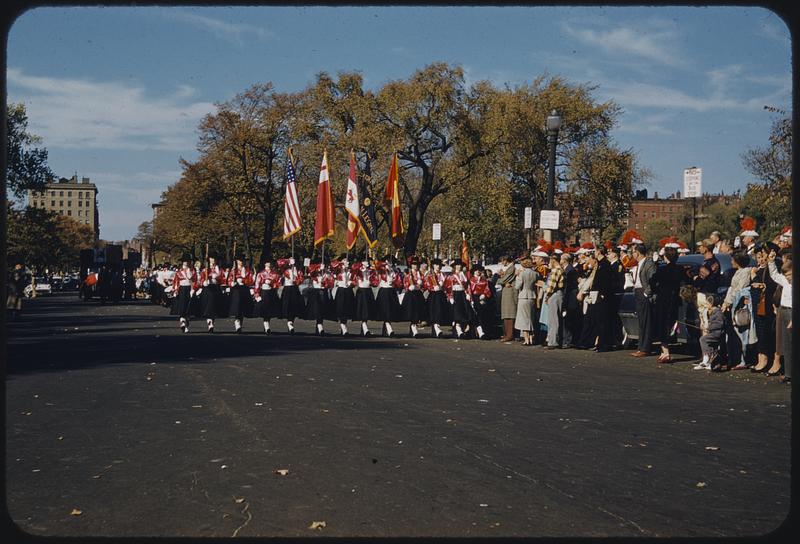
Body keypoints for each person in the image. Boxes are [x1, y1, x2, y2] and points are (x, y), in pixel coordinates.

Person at [721, 252, 756, 370]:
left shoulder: (745, 272)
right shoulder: (737, 272)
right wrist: (726, 302)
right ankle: (740, 358)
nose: (731, 262)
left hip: (740, 305)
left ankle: (746, 359)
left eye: (733, 260)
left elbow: (739, 289)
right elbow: (732, 289)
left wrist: (729, 301)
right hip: (734, 304)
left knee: (743, 331)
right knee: (737, 332)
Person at [749, 245, 778, 373]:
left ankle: (765, 358)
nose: (760, 260)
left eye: (762, 256)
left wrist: (755, 278)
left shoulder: (769, 269)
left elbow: (770, 284)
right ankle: (760, 358)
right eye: (758, 257)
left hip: (765, 304)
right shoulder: (759, 269)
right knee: (759, 331)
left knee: (765, 331)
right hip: (757, 304)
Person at [653, 246, 684, 363]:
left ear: (665, 257)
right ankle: (664, 351)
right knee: (671, 323)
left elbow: (653, 281)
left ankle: (665, 351)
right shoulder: (680, 270)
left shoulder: (662, 269)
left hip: (663, 299)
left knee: (662, 324)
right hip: (675, 299)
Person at [767, 250, 792, 383]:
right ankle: (788, 373)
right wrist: (771, 261)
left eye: (788, 274)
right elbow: (775, 275)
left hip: (791, 312)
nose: (786, 277)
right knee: (785, 344)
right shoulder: (785, 280)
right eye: (786, 275)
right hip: (783, 310)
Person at [630, 243, 657, 357]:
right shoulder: (639, 264)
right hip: (638, 292)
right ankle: (640, 346)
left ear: (638, 253)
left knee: (646, 321)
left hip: (644, 293)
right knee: (641, 321)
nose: (632, 254)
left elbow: (653, 280)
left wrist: (647, 293)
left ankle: (645, 348)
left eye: (633, 252)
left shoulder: (649, 263)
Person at [692, 239, 721, 334]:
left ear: (706, 249)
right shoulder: (713, 262)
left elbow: (699, 281)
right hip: (709, 294)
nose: (699, 248)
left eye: (701, 246)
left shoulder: (709, 263)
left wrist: (695, 278)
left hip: (706, 295)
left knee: (705, 323)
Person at [198, 252, 226, 333]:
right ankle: (209, 322)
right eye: (211, 259)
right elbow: (201, 278)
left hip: (216, 288)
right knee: (209, 306)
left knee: (214, 307)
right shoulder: (205, 269)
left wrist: (221, 282)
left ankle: (212, 322)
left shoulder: (219, 270)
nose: (213, 260)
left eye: (214, 259)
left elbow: (223, 278)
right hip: (208, 289)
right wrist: (204, 282)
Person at [695, 294, 724, 371]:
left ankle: (706, 358)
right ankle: (711, 361)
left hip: (718, 333)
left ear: (711, 304)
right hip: (714, 332)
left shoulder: (717, 312)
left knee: (703, 339)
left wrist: (708, 327)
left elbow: (719, 324)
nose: (706, 305)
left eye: (707, 304)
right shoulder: (713, 312)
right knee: (711, 345)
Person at [542, 251, 565, 349]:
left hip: (554, 294)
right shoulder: (561, 269)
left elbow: (551, 287)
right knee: (557, 318)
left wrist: (547, 295)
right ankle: (556, 340)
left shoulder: (555, 270)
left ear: (553, 260)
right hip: (559, 294)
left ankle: (552, 342)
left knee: (553, 319)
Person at [514, 258, 539, 346]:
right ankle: (531, 338)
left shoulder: (522, 274)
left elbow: (517, 286)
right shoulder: (535, 274)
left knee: (524, 318)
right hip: (532, 296)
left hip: (523, 296)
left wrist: (517, 276)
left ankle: (526, 339)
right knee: (531, 317)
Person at [226, 255, 254, 333]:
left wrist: (244, 281)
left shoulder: (247, 270)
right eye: (239, 260)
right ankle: (237, 323)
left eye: (242, 261)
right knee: (237, 307)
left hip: (244, 289)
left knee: (243, 308)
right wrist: (232, 283)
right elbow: (229, 279)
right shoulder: (233, 270)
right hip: (236, 290)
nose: (241, 262)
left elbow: (251, 280)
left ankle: (240, 323)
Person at [374, 260, 402, 337]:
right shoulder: (382, 270)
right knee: (386, 310)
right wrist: (384, 265)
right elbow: (377, 267)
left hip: (391, 291)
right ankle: (389, 328)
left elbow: (398, 282)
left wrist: (395, 281)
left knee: (390, 310)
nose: (389, 263)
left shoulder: (394, 270)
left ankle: (384, 329)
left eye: (390, 261)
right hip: (384, 291)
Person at [253, 259, 282, 334]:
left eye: (269, 264)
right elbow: (257, 285)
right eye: (267, 264)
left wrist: (272, 283)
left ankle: (267, 324)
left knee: (270, 310)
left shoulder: (275, 274)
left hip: (271, 293)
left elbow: (278, 283)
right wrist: (257, 295)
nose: (268, 265)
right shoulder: (261, 274)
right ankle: (266, 326)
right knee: (264, 310)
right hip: (264, 292)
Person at [170, 254, 197, 333]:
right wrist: (175, 290)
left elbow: (195, 280)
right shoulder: (179, 271)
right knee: (182, 306)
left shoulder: (193, 271)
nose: (186, 263)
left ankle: (186, 321)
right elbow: (176, 281)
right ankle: (182, 321)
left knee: (189, 307)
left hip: (190, 289)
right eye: (185, 261)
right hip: (182, 289)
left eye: (187, 261)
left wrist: (194, 289)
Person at [305, 262, 333, 336]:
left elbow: (330, 281)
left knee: (322, 310)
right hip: (316, 292)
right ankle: (320, 327)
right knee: (317, 310)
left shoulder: (326, 273)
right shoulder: (315, 272)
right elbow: (310, 272)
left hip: (324, 291)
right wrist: (318, 268)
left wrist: (327, 281)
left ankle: (319, 325)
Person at [445, 260, 471, 339]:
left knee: (464, 311)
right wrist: (450, 297)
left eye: (460, 265)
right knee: (457, 311)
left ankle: (462, 328)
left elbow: (467, 286)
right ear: (454, 266)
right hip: (455, 294)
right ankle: (458, 329)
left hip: (462, 294)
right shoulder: (451, 276)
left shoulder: (464, 275)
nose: (459, 267)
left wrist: (468, 294)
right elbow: (448, 287)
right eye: (457, 265)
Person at [401, 257, 426, 338]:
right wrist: (408, 287)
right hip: (411, 295)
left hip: (418, 294)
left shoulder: (421, 274)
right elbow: (404, 283)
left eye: (416, 265)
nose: (415, 266)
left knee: (418, 310)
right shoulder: (408, 274)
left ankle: (413, 326)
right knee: (412, 310)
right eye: (414, 264)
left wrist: (421, 285)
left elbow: (425, 284)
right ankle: (413, 327)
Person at [278, 258, 305, 335]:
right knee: (288, 306)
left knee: (294, 306)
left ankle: (291, 322)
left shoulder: (297, 270)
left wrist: (297, 280)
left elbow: (301, 279)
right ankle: (289, 323)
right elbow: (280, 263)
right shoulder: (285, 269)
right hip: (287, 289)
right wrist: (288, 261)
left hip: (294, 289)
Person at [560, 252, 581, 348]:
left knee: (569, 319)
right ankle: (567, 339)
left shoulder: (570, 270)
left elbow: (568, 287)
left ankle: (568, 340)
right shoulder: (567, 269)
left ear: (564, 260)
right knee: (567, 319)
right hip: (569, 297)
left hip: (570, 298)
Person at [467, 264, 493, 339]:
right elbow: (469, 289)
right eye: (476, 270)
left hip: (481, 298)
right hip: (473, 298)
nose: (478, 272)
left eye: (479, 270)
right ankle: (475, 332)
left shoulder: (484, 280)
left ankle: (483, 331)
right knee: (474, 314)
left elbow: (487, 289)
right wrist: (470, 297)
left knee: (482, 315)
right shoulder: (471, 280)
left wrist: (484, 294)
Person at [425, 258, 450, 338]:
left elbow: (447, 285)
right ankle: (436, 327)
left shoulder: (443, 275)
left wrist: (444, 287)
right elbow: (427, 284)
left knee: (440, 310)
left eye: (439, 265)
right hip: (433, 295)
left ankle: (436, 328)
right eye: (436, 265)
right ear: (433, 266)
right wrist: (432, 287)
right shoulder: (430, 274)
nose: (438, 266)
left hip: (441, 294)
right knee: (435, 310)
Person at [332, 259, 357, 336]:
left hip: (348, 290)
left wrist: (351, 283)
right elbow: (334, 269)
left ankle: (344, 326)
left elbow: (354, 280)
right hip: (341, 290)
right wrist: (341, 265)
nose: (347, 262)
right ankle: (343, 327)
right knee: (341, 309)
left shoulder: (350, 270)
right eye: (345, 260)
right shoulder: (338, 269)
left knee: (347, 310)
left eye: (347, 260)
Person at [352, 259, 377, 336]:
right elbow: (354, 271)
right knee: (363, 309)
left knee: (367, 310)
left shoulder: (370, 271)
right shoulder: (358, 270)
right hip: (361, 291)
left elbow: (374, 282)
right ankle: (364, 327)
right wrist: (361, 267)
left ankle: (364, 326)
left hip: (368, 291)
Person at [496, 255, 518, 343]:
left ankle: (509, 334)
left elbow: (504, 279)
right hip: (506, 292)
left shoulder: (511, 268)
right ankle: (506, 333)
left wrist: (500, 279)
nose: (502, 263)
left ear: (506, 260)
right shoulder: (509, 269)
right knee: (505, 313)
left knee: (509, 313)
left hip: (510, 293)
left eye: (502, 261)